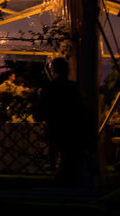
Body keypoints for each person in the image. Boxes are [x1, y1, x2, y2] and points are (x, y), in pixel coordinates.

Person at [37, 57, 88, 185]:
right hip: (71, 126)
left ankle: (60, 177)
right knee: (69, 155)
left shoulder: (49, 88)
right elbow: (80, 107)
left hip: (56, 125)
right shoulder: (72, 87)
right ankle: (66, 178)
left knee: (61, 153)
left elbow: (42, 109)